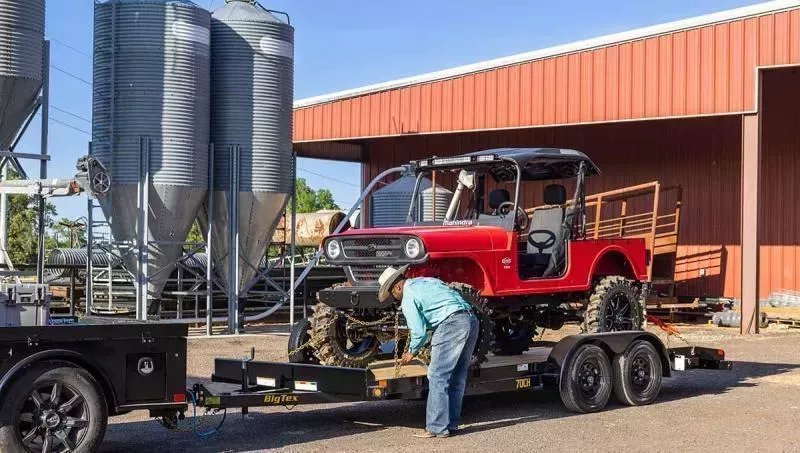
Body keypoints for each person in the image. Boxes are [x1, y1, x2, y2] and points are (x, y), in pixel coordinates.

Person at [377, 265, 479, 438]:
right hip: (470, 319)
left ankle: (437, 427)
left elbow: (419, 332)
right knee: (457, 376)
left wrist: (411, 351)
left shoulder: (408, 296)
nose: (394, 298)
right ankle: (451, 424)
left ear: (398, 287)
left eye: (393, 294)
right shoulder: (426, 281)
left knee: (437, 375)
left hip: (450, 323)